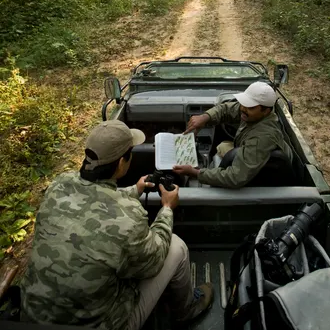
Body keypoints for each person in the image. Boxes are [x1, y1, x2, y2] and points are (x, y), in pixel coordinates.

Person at [21, 120, 213, 330]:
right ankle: (187, 310)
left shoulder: (59, 184)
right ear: (122, 162)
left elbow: (91, 198)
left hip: (32, 317)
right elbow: (154, 261)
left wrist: (135, 189)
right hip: (102, 325)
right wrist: (167, 208)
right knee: (176, 246)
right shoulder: (128, 217)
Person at [174, 81, 293, 188]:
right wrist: (205, 117)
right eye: (243, 104)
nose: (243, 109)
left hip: (265, 173)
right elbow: (226, 109)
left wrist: (195, 173)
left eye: (250, 107)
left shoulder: (262, 137)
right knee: (222, 147)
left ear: (266, 111)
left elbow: (235, 177)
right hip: (251, 154)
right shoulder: (252, 112)